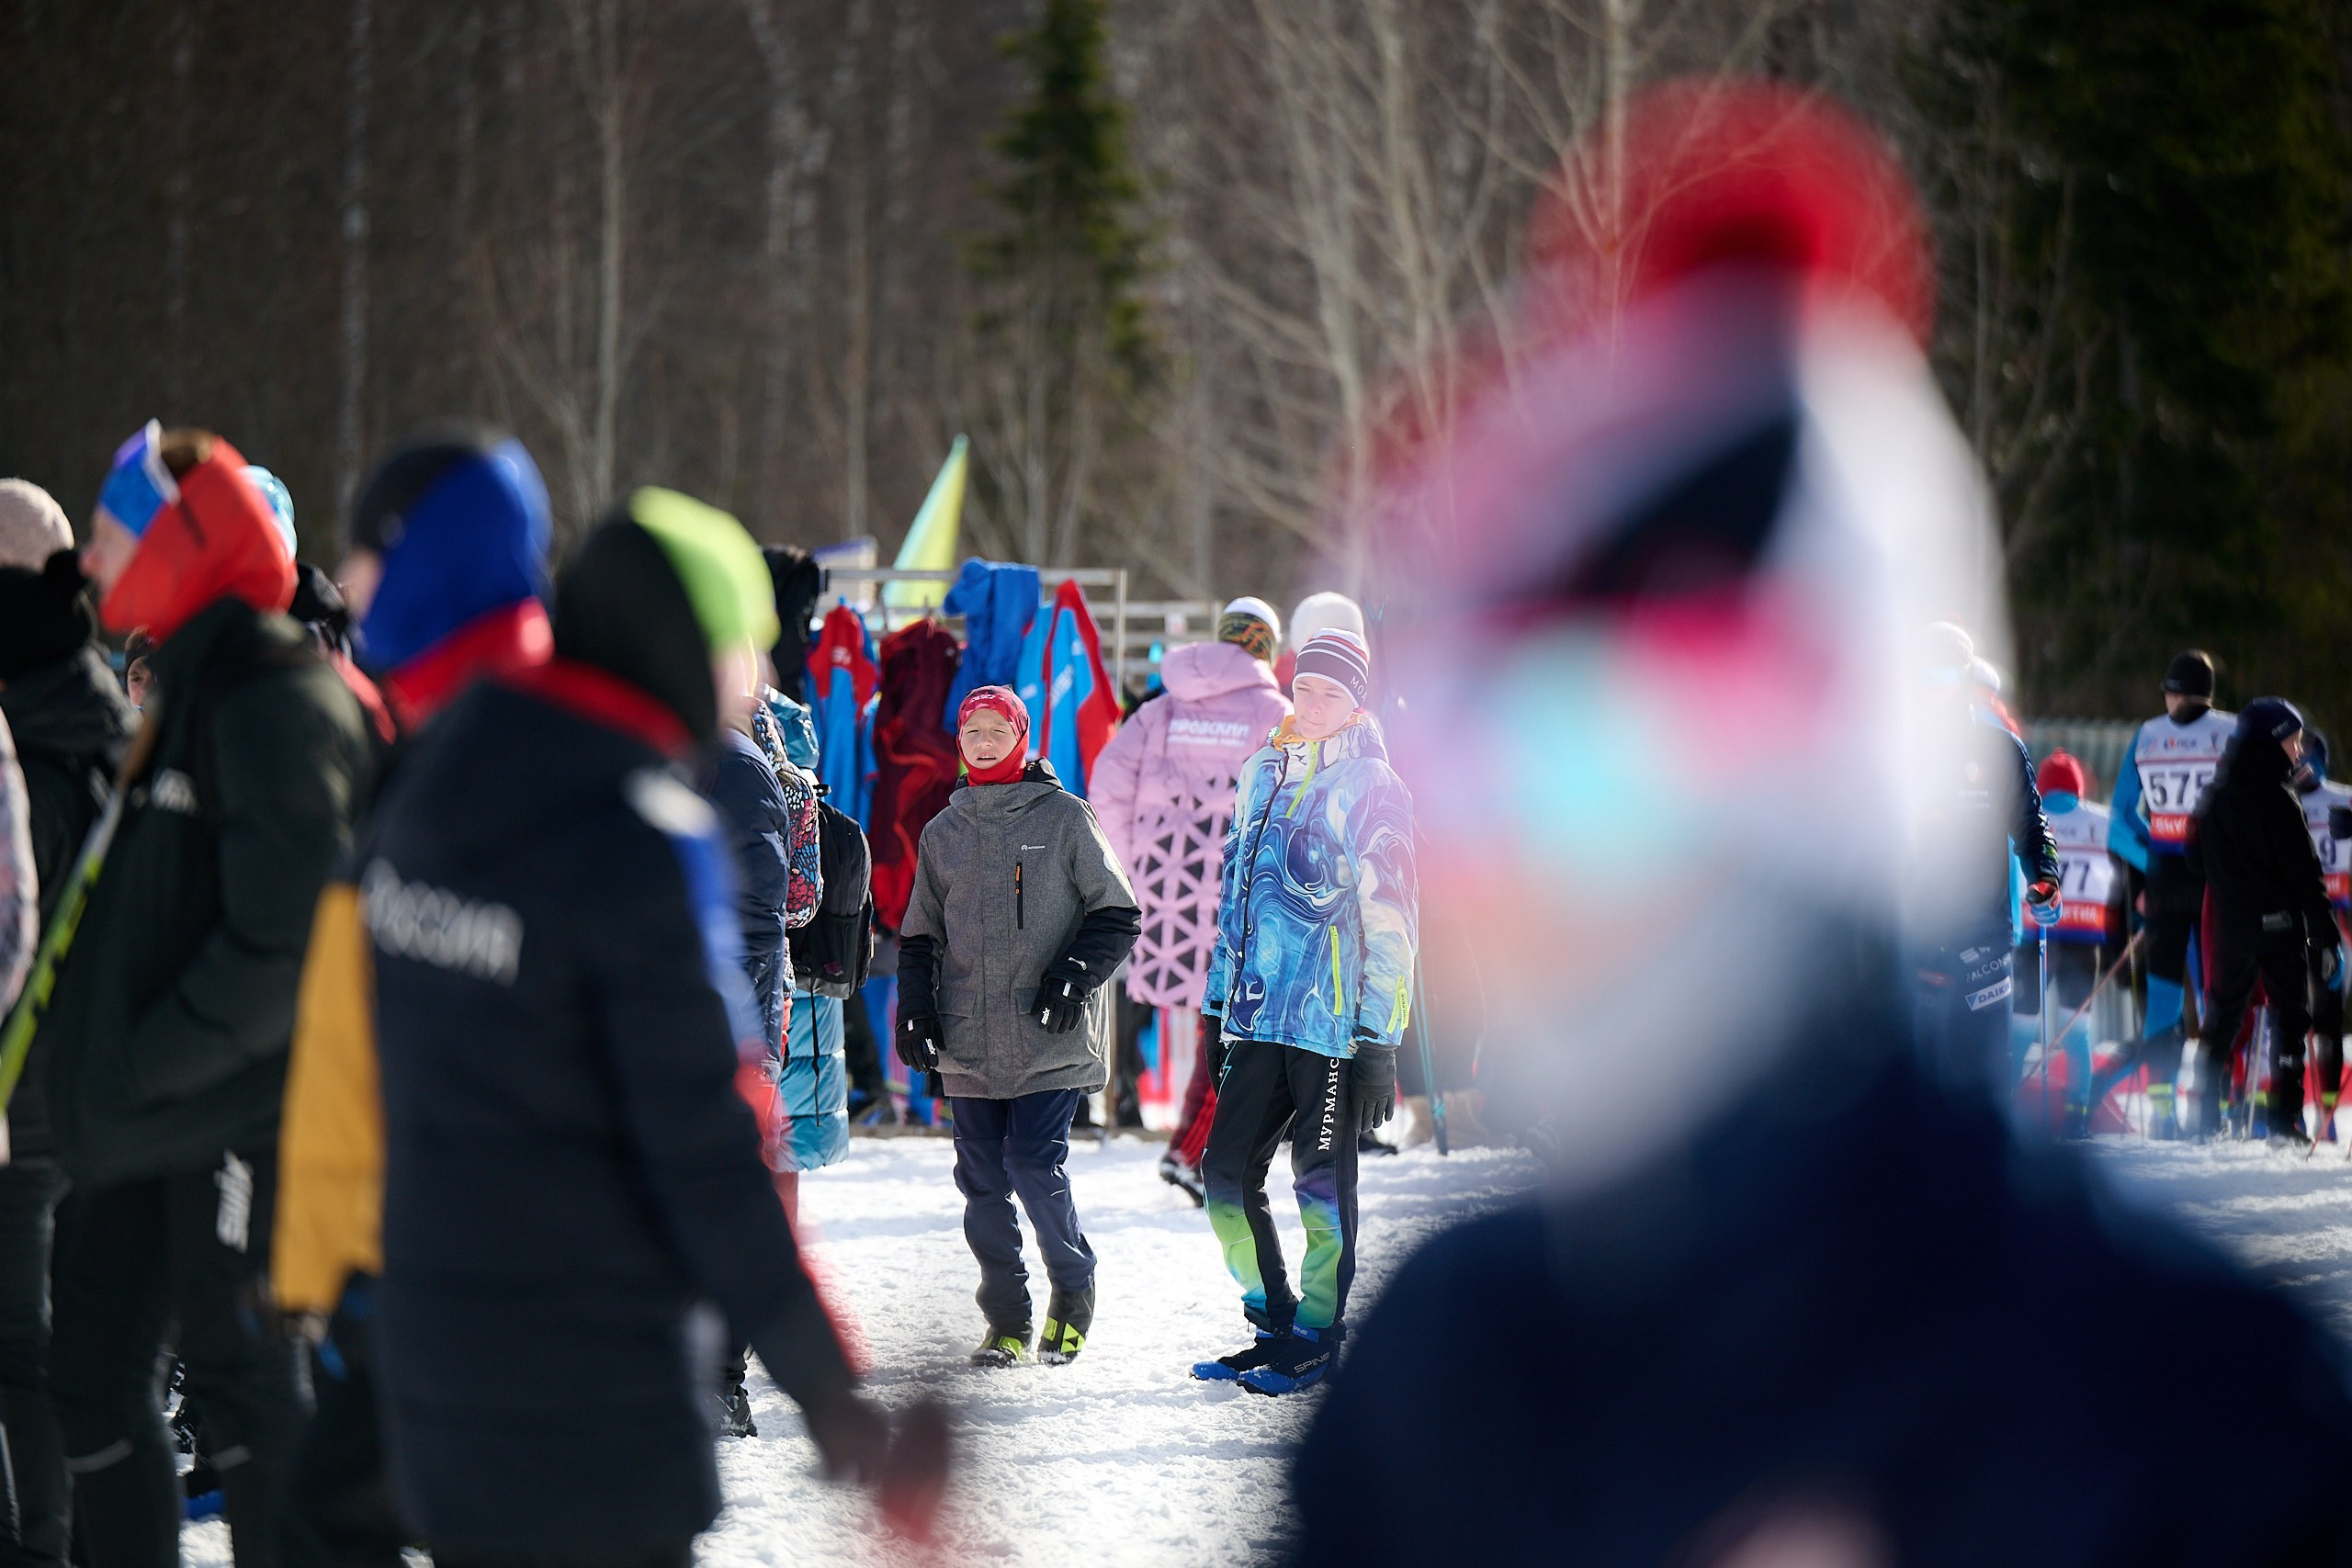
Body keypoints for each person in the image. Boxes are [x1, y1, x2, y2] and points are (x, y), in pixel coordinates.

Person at [1289, 81, 2352, 1566]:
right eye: (1478, 800)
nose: (1501, 892)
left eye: (1578, 788)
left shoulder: (2176, 1402)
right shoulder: (1454, 1368)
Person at [367, 490, 935, 1561]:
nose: (755, 680)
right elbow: (707, 1146)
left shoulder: (433, 770)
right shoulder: (639, 836)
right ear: (681, 642)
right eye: (742, 648)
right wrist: (829, 1385)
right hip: (592, 1390)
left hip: (431, 1357)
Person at [38, 424, 371, 1568]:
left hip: (236, 1116)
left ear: (182, 545)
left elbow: (284, 949)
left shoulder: (277, 698)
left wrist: (139, 1060)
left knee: (242, 1392)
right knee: (85, 1373)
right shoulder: (181, 688)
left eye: (109, 534)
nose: (90, 561)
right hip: (149, 1117)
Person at [272, 426, 556, 1567]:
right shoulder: (414, 735)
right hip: (389, 1274)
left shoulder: (535, 752)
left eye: (372, 554)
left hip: (487, 1292)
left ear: (433, 557)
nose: (353, 582)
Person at [1193, 627, 1419, 1396]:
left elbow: (1392, 919)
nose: (1313, 702)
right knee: (1222, 1176)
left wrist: (1377, 1039)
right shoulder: (1263, 770)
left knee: (1320, 1185)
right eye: (1305, 687)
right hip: (1257, 1014)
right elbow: (1234, 892)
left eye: (1331, 691)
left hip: (1330, 1026)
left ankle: (1320, 1334)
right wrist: (1220, 998)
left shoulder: (1375, 785)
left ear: (1356, 700)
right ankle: (1274, 1318)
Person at [896, 687, 1140, 1367]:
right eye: (971, 728)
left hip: (1046, 1036)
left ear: (1022, 735)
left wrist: (1073, 977)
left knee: (1033, 1164)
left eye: (996, 727)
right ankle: (1006, 1319)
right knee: (981, 1182)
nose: (981, 739)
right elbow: (919, 937)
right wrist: (915, 1008)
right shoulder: (944, 830)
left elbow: (1117, 912)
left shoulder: (1065, 817)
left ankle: (1074, 1283)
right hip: (969, 1040)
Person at [0, 493, 136, 1568]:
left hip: (26, 1079)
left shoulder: (24, 720)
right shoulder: (107, 709)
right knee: (70, 1349)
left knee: (24, 1350)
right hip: (105, 1076)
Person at [1087, 597, 1291, 1204]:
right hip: (1240, 898)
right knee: (1240, 1025)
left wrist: (1135, 865)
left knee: (1220, 1025)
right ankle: (1195, 1151)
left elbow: (1107, 779)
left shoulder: (1164, 707)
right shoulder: (1272, 712)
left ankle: (1191, 1147)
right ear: (1265, 648)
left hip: (1168, 899)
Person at [1907, 621, 2062, 1100]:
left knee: (1982, 1078)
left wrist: (2046, 878)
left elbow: (2032, 827)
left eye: (1947, 678)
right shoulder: (1894, 749)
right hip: (1911, 936)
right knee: (1911, 1080)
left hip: (1984, 937)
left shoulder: (1997, 749)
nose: (1936, 691)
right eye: (1926, 678)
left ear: (1965, 680)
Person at [2184, 700, 2339, 1145]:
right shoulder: (2279, 799)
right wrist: (2326, 935)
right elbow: (2307, 876)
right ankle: (2284, 1119)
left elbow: (2195, 862)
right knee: (2291, 1018)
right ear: (2275, 740)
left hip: (2232, 926)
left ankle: (2205, 1119)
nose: (2298, 752)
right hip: (2280, 925)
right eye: (2293, 741)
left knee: (2222, 1021)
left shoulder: (2216, 797)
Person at [2105, 649, 2233, 1137]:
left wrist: (2156, 853)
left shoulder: (2148, 734)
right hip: (2213, 884)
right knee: (2214, 999)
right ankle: (2211, 1112)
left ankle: (2162, 1116)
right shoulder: (2233, 731)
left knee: (2161, 1001)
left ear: (2172, 692)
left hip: (2163, 884)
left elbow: (2119, 823)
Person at [2020, 750, 2126, 1134]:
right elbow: (2142, 854)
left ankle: (2007, 1110)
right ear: (2079, 788)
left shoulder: (2027, 820)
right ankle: (2078, 1117)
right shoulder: (2104, 821)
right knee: (2077, 1032)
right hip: (2084, 941)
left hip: (2036, 935)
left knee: (2019, 1026)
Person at [2296, 728, 2351, 1134]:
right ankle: (2291, 1111)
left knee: (2330, 1023)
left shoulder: (2343, 800)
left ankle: (2329, 1117)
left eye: (2309, 758)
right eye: (2297, 757)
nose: (2301, 765)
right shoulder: (2281, 800)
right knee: (2296, 1018)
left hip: (2338, 923)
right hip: (2297, 924)